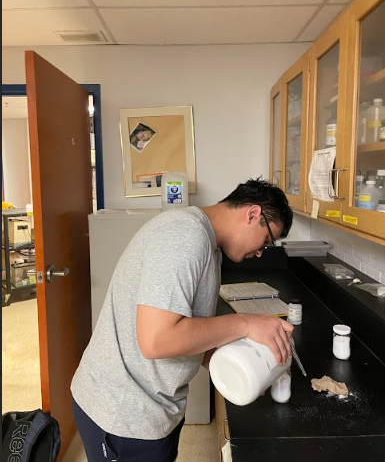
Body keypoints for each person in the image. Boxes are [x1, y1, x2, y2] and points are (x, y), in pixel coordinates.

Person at [71, 177, 294, 462]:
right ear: (252, 214)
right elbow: (157, 340)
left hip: (151, 409)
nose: (261, 252)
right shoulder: (184, 235)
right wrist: (247, 324)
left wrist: (240, 367)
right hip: (122, 412)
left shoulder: (206, 243)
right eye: (266, 240)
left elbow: (189, 331)